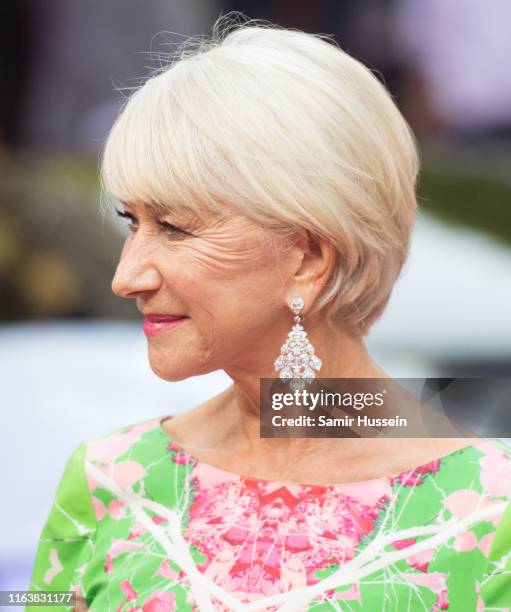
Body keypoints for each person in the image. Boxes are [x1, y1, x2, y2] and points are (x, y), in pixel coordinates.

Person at [27, 14, 511, 611]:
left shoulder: (493, 515)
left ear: (308, 257)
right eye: (133, 223)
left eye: (175, 228)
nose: (127, 277)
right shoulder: (107, 479)